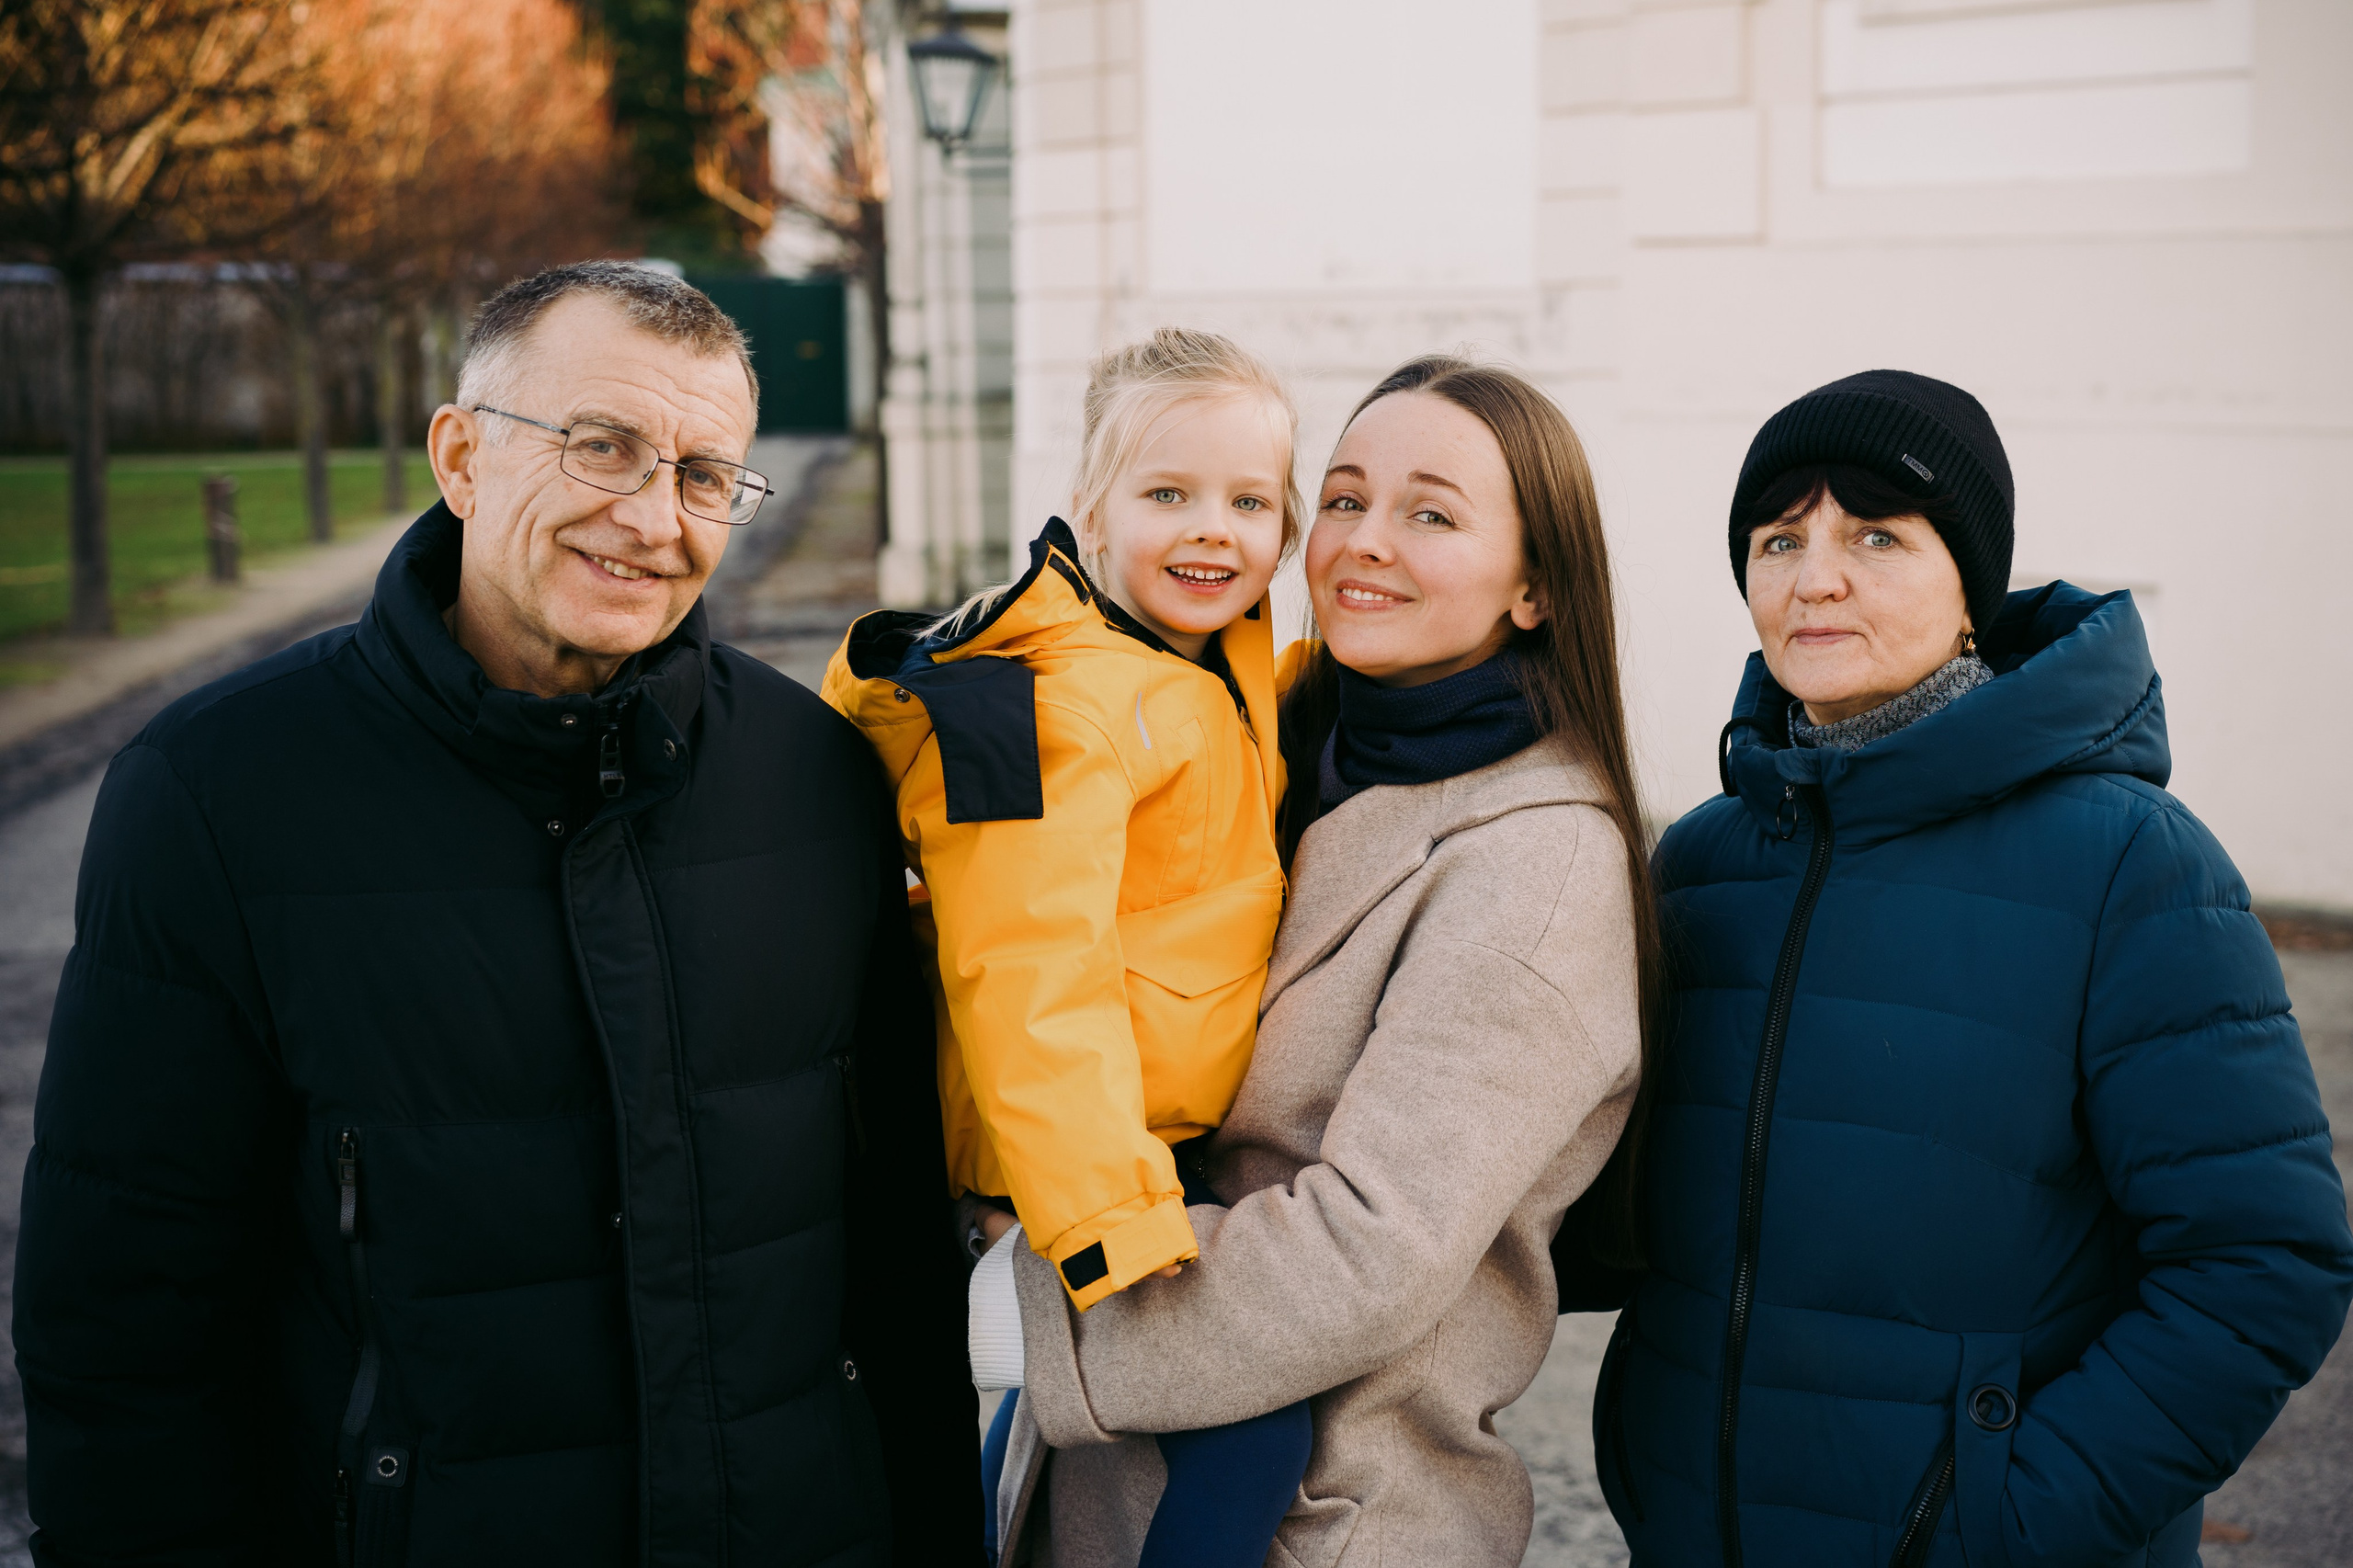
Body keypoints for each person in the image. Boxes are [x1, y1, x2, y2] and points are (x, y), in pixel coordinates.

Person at [14, 262, 978, 1565]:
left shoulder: (819, 778)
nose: (654, 518)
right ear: (462, 459)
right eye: (604, 447)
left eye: (704, 475)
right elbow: (122, 1314)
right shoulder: (214, 794)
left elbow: (899, 1265)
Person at [1602, 369, 2353, 1566]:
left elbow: (2265, 1262)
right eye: (1779, 538)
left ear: (1971, 590)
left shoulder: (2128, 864)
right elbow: (1618, 1224)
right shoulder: (1701, 864)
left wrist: (2010, 1521)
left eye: (1877, 535)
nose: (1815, 576)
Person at [985, 356, 1654, 1565]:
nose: (1363, 542)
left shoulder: (1538, 859)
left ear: (1536, 588)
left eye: (1430, 514)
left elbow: (1369, 1250)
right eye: (1343, 499)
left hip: (1324, 1521)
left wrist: (1035, 1299)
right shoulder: (1271, 747)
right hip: (1105, 1487)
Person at [823, 327, 1314, 1568]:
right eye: (1169, 495)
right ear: (1089, 509)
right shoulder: (1050, 707)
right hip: (1076, 1172)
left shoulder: (1208, 662)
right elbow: (1029, 969)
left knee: (1091, 1449)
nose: (1213, 531)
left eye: (1249, 502)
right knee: (1255, 1426)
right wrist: (1105, 1219)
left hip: (1153, 1142)